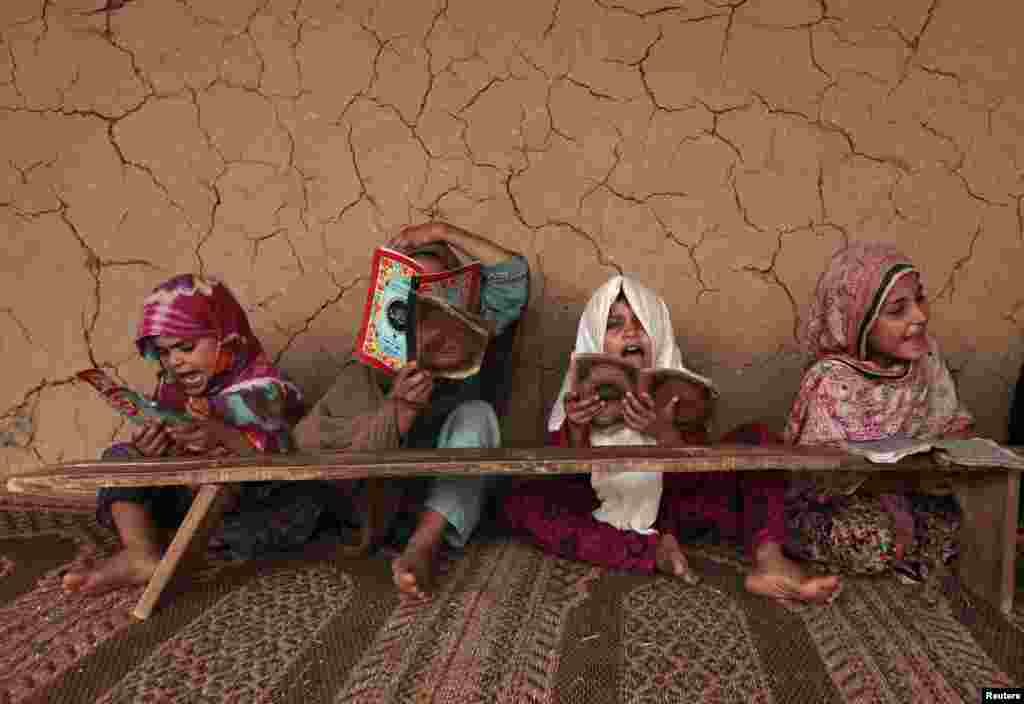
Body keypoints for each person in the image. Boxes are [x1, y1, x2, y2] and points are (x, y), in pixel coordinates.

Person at [504, 275, 840, 602]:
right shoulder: (578, 397)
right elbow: (569, 479)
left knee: (758, 439)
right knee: (522, 501)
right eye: (615, 324)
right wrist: (578, 428)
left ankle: (770, 560)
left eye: (641, 322)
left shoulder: (678, 388)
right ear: (593, 337)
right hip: (601, 504)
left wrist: (662, 433)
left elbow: (697, 468)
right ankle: (651, 551)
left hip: (675, 506)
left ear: (659, 331)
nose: (631, 332)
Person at [293, 221, 529, 599]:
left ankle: (423, 548)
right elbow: (312, 447)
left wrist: (443, 232)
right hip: (380, 507)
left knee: (477, 416)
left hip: (444, 505)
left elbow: (512, 278)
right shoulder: (366, 368)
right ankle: (402, 541)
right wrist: (396, 411)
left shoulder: (472, 340)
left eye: (437, 298)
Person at [63, 274, 324, 594]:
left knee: (286, 510)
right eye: (163, 352)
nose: (175, 361)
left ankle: (180, 540)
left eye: (186, 347)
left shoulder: (266, 390)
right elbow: (170, 462)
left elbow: (276, 461)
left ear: (228, 338)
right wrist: (152, 452)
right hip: (192, 497)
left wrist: (220, 435)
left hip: (254, 504)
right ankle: (140, 553)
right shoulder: (173, 390)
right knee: (119, 459)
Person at [785, 242, 971, 582]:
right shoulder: (831, 381)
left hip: (912, 489)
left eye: (919, 299)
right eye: (898, 309)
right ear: (858, 322)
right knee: (872, 539)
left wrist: (958, 452)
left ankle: (909, 547)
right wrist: (890, 498)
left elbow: (951, 425)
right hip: (839, 501)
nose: (920, 316)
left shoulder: (926, 359)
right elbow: (822, 478)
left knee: (956, 529)